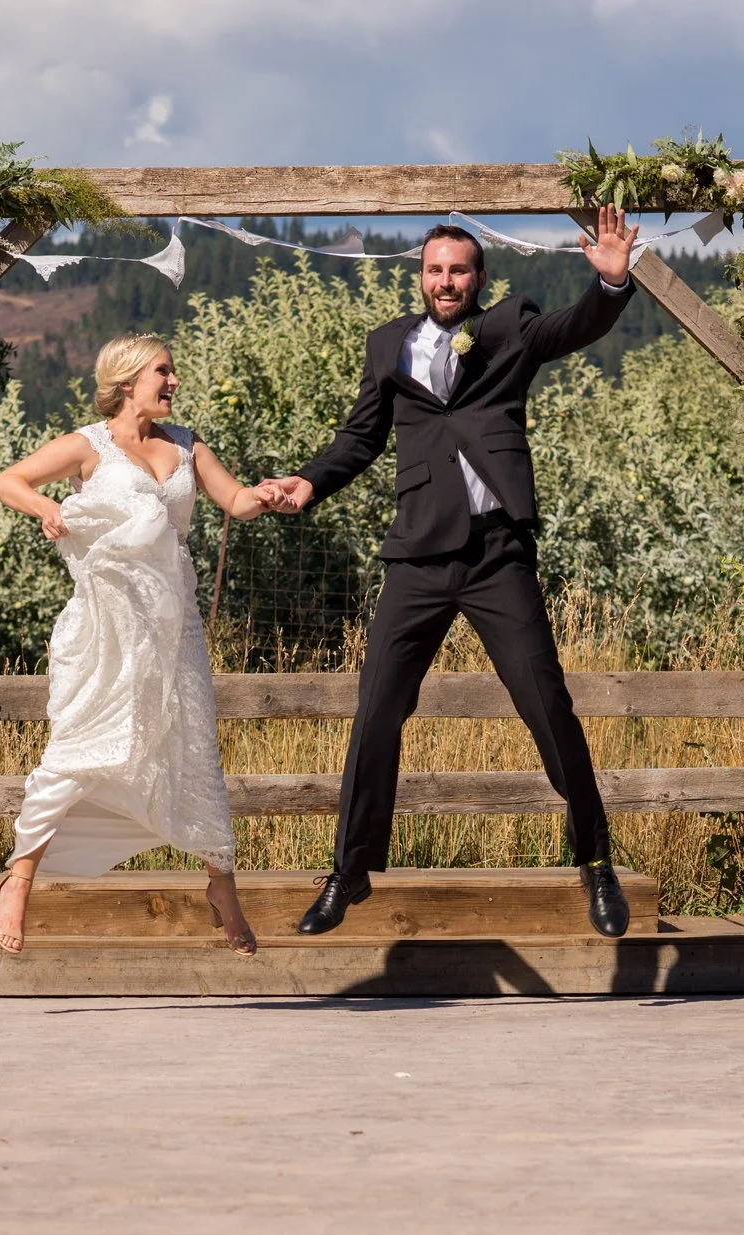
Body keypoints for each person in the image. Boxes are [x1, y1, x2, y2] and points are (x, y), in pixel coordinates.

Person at [255, 208, 641, 938]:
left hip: (497, 556)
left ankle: (594, 861)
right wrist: (308, 482)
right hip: (418, 558)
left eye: (459, 270)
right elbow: (360, 435)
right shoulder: (388, 345)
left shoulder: (508, 328)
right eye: (435, 270)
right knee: (375, 714)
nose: (446, 281)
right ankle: (350, 870)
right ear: (420, 276)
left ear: (478, 278)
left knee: (547, 708)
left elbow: (574, 327)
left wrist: (612, 283)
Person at [0, 334, 267, 956]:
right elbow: (7, 481)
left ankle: (223, 886)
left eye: (173, 372)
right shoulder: (90, 445)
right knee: (82, 745)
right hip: (108, 625)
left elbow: (236, 501)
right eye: (162, 372)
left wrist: (269, 494)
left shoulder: (189, 446)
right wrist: (43, 507)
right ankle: (20, 878)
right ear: (127, 381)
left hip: (175, 627)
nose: (173, 382)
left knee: (194, 748)